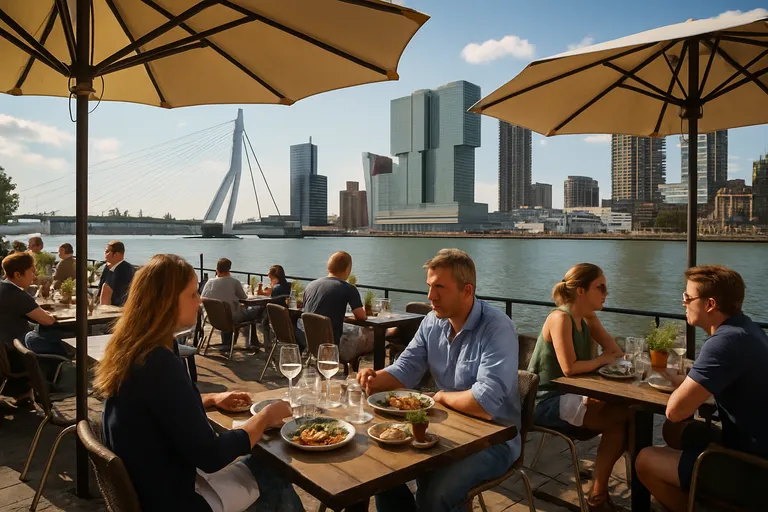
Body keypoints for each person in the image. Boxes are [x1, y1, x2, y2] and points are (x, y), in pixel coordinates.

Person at [95, 254, 303, 512]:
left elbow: (161, 409)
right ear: (167, 303)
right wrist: (265, 417)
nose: (200, 300)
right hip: (174, 500)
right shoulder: (159, 363)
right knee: (274, 472)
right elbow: (211, 456)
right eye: (192, 294)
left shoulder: (135, 349)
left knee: (264, 467)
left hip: (151, 485)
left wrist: (212, 399)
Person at [358, 248, 521, 512]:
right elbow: (406, 367)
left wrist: (441, 396)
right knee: (379, 470)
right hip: (445, 430)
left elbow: (486, 403)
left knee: (434, 497)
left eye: (439, 288)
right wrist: (374, 378)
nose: (430, 297)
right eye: (429, 287)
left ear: (467, 291)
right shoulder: (432, 322)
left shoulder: (497, 328)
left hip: (494, 441)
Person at [636, 265, 768, 512]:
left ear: (709, 305)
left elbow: (675, 412)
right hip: (749, 445)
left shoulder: (724, 342)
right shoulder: (746, 329)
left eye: (688, 297)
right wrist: (685, 380)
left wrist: (683, 392)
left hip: (755, 470)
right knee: (672, 433)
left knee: (645, 459)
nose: (683, 302)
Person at [528, 263, 627, 511]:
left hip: (573, 395)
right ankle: (597, 497)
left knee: (631, 415)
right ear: (581, 291)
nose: (606, 293)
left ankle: (616, 486)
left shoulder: (588, 318)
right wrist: (602, 360)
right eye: (600, 287)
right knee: (618, 422)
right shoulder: (559, 318)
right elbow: (569, 368)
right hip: (544, 401)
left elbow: (616, 351)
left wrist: (605, 358)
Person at [0, 253, 65, 400]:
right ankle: (57, 384)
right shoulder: (16, 294)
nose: (34, 275)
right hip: (16, 355)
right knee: (59, 343)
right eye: (31, 271)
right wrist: (52, 315)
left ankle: (24, 393)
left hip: (4, 353)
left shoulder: (3, 288)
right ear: (18, 274)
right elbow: (47, 320)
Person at [301, 251, 367, 361]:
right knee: (373, 337)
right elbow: (361, 317)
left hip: (310, 341)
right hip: (332, 344)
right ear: (348, 269)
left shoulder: (310, 285)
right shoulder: (348, 288)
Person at [201, 258, 261, 350]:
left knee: (227, 312)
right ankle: (254, 342)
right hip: (230, 319)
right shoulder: (234, 282)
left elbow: (203, 298)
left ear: (217, 270)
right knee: (258, 309)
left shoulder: (209, 282)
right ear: (229, 269)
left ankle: (229, 343)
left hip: (212, 318)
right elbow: (244, 298)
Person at [99, 240, 135, 307]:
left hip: (117, 310)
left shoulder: (126, 270)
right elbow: (100, 290)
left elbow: (107, 293)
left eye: (107, 251)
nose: (105, 254)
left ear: (116, 254)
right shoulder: (107, 267)